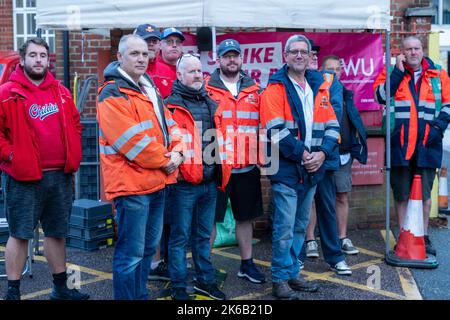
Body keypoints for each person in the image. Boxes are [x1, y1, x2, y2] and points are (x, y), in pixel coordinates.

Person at [0, 37, 88, 300]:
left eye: (43, 56)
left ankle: (61, 288)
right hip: (24, 177)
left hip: (60, 175)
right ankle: (13, 292)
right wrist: (13, 155)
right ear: (23, 59)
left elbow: (75, 123)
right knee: (20, 234)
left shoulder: (61, 91)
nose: (39, 60)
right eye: (33, 56)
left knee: (57, 232)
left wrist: (73, 150)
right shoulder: (7, 92)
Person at [97, 34, 183, 300]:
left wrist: (178, 151)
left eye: (145, 54)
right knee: (130, 254)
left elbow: (172, 126)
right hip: (132, 186)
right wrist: (168, 160)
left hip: (156, 183)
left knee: (146, 251)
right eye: (134, 54)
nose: (141, 59)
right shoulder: (111, 92)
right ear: (120, 57)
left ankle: (140, 295)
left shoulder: (149, 88)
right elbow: (131, 142)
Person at [260, 34, 342, 299]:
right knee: (284, 228)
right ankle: (280, 279)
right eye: (293, 51)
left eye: (303, 52)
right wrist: (305, 154)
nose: (298, 56)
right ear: (285, 56)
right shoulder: (274, 89)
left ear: (309, 57)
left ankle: (293, 273)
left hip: (312, 168)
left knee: (299, 226)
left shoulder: (319, 86)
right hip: (286, 170)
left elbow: (332, 125)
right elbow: (275, 131)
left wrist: (322, 153)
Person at [374, 36, 450, 256]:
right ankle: (404, 236)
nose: (413, 52)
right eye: (409, 49)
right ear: (402, 53)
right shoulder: (391, 72)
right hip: (400, 144)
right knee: (402, 195)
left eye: (417, 48)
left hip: (428, 143)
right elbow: (380, 96)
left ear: (422, 50)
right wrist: (396, 72)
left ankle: (423, 237)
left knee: (424, 196)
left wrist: (437, 129)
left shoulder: (438, 73)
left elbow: (448, 104)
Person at [165, 54, 231, 300]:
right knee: (180, 239)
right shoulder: (169, 105)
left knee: (203, 237)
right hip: (183, 185)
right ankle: (179, 287)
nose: (197, 75)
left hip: (209, 183)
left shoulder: (210, 102)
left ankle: (205, 281)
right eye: (191, 71)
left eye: (199, 71)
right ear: (179, 75)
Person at [206, 39, 265, 284]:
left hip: (246, 165)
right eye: (227, 56)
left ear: (241, 59)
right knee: (209, 219)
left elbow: (263, 125)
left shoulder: (255, 89)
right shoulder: (206, 89)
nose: (232, 60)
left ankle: (247, 264)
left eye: (235, 56)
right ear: (218, 59)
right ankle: (204, 266)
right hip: (217, 166)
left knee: (245, 217)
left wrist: (263, 159)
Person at [322, 55, 368, 253]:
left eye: (337, 69)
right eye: (329, 69)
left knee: (341, 196)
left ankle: (342, 237)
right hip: (321, 155)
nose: (333, 72)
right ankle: (310, 240)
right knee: (315, 200)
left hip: (342, 156)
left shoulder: (347, 95)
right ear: (322, 72)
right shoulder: (317, 93)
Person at [152, 27, 185, 98]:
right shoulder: (151, 67)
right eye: (169, 41)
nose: (174, 45)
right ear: (160, 45)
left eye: (178, 42)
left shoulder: (187, 66)